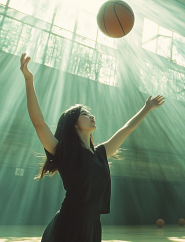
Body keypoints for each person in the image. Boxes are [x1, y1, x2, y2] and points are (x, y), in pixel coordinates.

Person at [19, 53, 165, 241]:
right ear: (74, 124)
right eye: (84, 114)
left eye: (90, 113)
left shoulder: (101, 154)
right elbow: (39, 123)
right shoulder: (64, 152)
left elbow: (127, 129)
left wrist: (147, 108)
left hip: (93, 227)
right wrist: (29, 79)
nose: (91, 115)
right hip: (68, 226)